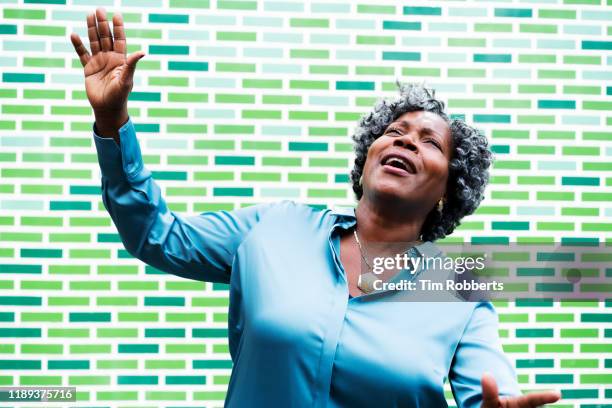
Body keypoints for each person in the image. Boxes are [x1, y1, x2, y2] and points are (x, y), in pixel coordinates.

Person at [70, 7, 562, 408]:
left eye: (429, 141)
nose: (406, 141)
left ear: (448, 192)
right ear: (367, 157)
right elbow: (156, 235)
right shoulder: (274, 227)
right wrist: (113, 123)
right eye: (395, 132)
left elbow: (492, 396)